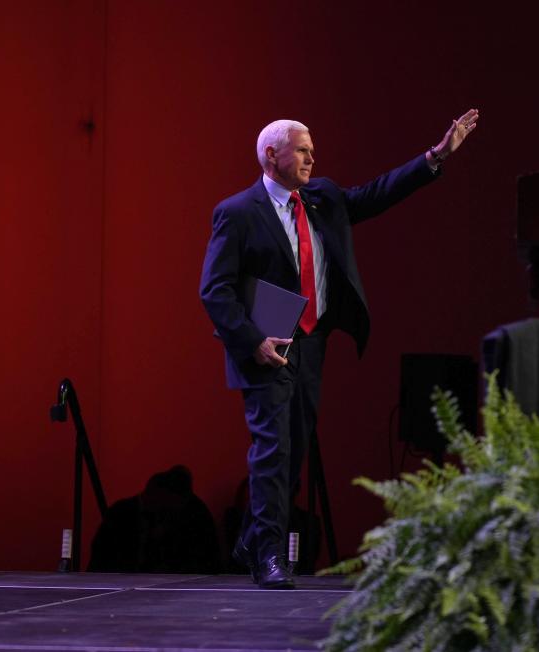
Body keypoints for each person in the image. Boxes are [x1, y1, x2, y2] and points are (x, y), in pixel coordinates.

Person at [200, 109, 479, 589]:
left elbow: (374, 195)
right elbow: (215, 290)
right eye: (303, 150)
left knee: (294, 452)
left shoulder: (322, 197)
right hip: (265, 342)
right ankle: (269, 556)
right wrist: (253, 340)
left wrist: (433, 158)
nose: (313, 157)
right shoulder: (239, 212)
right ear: (272, 156)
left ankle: (251, 538)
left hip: (312, 342)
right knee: (272, 448)